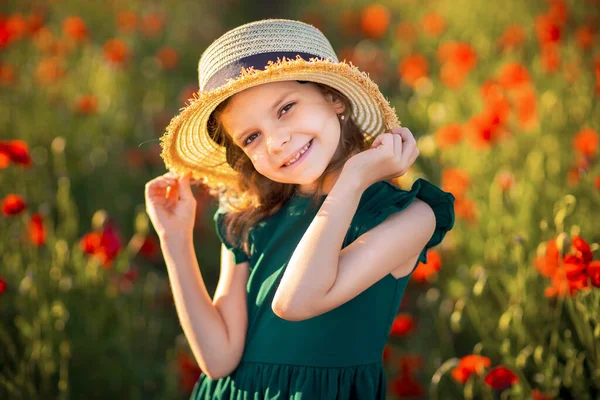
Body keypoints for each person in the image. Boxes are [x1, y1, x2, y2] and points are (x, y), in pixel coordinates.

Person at [145, 19, 456, 399]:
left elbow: (297, 300)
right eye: (252, 137)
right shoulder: (250, 219)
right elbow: (218, 359)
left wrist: (354, 179)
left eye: (286, 108)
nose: (276, 142)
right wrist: (174, 239)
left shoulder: (408, 218)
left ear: (334, 97)